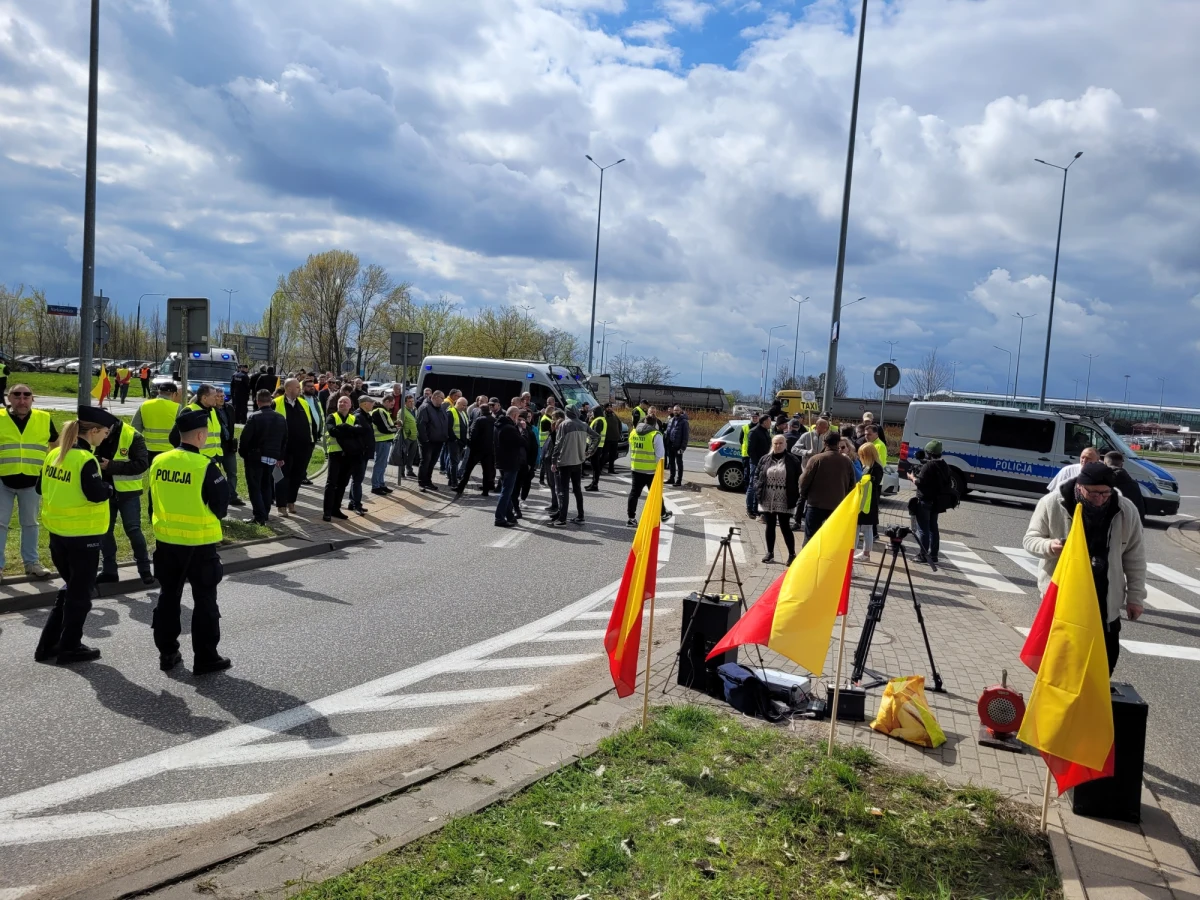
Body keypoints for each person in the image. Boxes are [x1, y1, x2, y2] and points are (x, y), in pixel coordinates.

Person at [1023, 462, 1146, 674]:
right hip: (1064, 597)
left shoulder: (1126, 510)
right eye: (1093, 494)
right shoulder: (1052, 503)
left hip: (1105, 598)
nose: (1099, 499)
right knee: (1059, 667)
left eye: (1105, 494)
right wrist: (1050, 546)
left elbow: (1135, 557)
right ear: (1080, 487)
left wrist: (1135, 598)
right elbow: (1030, 540)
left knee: (1103, 666)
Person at [148, 407, 231, 674]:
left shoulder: (159, 461)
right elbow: (221, 506)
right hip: (199, 544)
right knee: (205, 601)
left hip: (166, 542)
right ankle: (206, 658)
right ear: (200, 436)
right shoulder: (205, 466)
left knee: (168, 598)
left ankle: (167, 653)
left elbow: (152, 501)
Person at [34, 407, 116, 665]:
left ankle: (48, 645)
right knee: (80, 595)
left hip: (57, 534)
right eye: (104, 433)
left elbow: (39, 487)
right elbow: (95, 493)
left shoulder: (55, 453)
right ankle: (70, 647)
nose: (104, 437)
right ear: (92, 431)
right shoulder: (85, 460)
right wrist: (109, 489)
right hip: (83, 536)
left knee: (71, 589)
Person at [0, 384, 55, 582]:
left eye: (26, 396)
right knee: (0, 524)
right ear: (9, 398)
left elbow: (56, 448)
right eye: (17, 396)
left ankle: (32, 564)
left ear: (33, 399)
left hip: (33, 482)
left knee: (30, 524)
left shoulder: (44, 419)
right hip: (3, 480)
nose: (22, 400)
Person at [94, 412, 154, 585]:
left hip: (128, 493)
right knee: (105, 531)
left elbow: (142, 464)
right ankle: (109, 571)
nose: (101, 432)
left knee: (133, 530)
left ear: (112, 424)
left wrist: (111, 466)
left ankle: (145, 570)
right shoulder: (95, 433)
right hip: (105, 491)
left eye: (103, 429)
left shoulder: (133, 436)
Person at [239, 390, 287, 525]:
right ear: (271, 401)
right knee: (267, 486)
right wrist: (280, 456)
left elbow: (245, 439)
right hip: (272, 458)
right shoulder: (280, 418)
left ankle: (259, 516)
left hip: (255, 458)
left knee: (255, 487)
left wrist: (244, 454)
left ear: (257, 401)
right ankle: (265, 514)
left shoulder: (254, 417)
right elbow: (285, 439)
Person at [273, 378, 318, 517]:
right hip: (284, 449)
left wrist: (312, 441)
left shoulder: (303, 403)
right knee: (282, 477)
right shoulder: (276, 403)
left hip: (303, 448)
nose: (300, 389)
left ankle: (291, 501)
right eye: (297, 388)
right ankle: (281, 505)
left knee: (297, 477)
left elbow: (312, 424)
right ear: (289, 389)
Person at [798, 432, 855, 540]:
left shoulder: (816, 459)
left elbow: (804, 480)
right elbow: (852, 485)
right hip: (837, 506)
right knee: (832, 539)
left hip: (815, 504)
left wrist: (804, 495)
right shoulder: (846, 461)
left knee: (810, 538)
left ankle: (810, 557)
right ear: (838, 443)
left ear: (824, 443)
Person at [755, 434, 801, 565]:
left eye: (781, 443)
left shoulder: (792, 460)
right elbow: (757, 475)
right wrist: (757, 488)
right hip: (767, 497)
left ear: (785, 444)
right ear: (772, 444)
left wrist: (796, 495)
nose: (778, 445)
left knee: (785, 526)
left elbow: (799, 478)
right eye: (775, 443)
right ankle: (770, 553)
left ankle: (792, 554)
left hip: (784, 498)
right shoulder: (765, 459)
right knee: (770, 525)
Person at [907, 440, 951, 570]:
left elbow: (920, 482)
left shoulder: (929, 466)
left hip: (925, 500)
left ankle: (923, 555)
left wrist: (911, 477)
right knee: (933, 528)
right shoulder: (944, 465)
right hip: (937, 502)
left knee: (923, 529)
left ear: (929, 453)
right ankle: (934, 555)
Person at [549, 405, 596, 527]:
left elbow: (558, 444)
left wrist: (554, 461)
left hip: (565, 461)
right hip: (578, 461)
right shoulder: (584, 424)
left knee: (564, 490)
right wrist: (589, 451)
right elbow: (596, 436)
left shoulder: (564, 425)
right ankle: (581, 516)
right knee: (577, 489)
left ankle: (562, 519)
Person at [625, 415, 674, 528]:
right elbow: (660, 456)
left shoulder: (633, 432)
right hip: (651, 471)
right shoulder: (655, 435)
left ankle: (631, 518)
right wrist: (660, 470)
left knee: (634, 494)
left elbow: (632, 447)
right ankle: (663, 514)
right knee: (655, 494)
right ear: (655, 424)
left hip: (636, 468)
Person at [323, 395, 362, 521]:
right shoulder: (332, 417)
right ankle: (327, 511)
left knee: (342, 484)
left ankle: (336, 509)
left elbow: (359, 432)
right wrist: (348, 431)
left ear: (350, 405)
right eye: (340, 402)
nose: (342, 404)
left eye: (345, 402)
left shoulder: (353, 417)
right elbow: (332, 431)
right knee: (331, 483)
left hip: (349, 456)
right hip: (335, 454)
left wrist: (343, 429)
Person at [170, 384, 223, 460]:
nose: (217, 398)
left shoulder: (213, 411)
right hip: (197, 458)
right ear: (204, 398)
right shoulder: (189, 411)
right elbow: (174, 437)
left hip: (215, 457)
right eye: (214, 396)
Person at [493, 406, 526, 528]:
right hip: (510, 463)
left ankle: (509, 515)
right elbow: (522, 442)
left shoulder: (498, 425)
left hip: (502, 462)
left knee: (506, 490)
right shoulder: (509, 428)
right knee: (507, 491)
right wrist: (523, 430)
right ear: (515, 416)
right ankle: (499, 517)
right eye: (517, 417)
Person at [457, 399, 496, 497]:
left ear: (480, 411)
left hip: (477, 450)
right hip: (489, 451)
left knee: (468, 470)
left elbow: (472, 434)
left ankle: (460, 488)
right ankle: (485, 491)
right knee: (486, 471)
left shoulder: (479, 420)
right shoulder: (494, 420)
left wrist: (470, 445)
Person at [346, 395, 377, 514]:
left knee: (357, 479)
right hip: (359, 453)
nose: (373, 404)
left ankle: (352, 502)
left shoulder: (365, 416)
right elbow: (356, 435)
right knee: (358, 479)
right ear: (364, 404)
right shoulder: (358, 416)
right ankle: (357, 504)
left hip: (364, 452)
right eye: (371, 402)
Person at [213, 392, 244, 507]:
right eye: (218, 396)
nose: (221, 399)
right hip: (216, 446)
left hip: (229, 446)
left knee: (232, 472)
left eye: (223, 396)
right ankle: (218, 496)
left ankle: (232, 496)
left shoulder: (229, 408)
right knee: (216, 473)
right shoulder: (210, 410)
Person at [855, 442, 883, 563]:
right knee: (863, 527)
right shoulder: (866, 466)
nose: (861, 457)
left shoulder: (876, 467)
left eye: (863, 455)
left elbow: (873, 483)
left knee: (867, 528)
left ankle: (866, 553)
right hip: (864, 501)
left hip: (870, 503)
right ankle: (863, 552)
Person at [416, 389, 449, 492]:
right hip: (428, 442)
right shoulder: (425, 408)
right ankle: (422, 482)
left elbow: (444, 423)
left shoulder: (441, 409)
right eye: (441, 398)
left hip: (439, 441)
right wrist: (425, 440)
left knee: (432, 463)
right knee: (425, 462)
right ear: (434, 397)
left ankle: (428, 481)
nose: (443, 401)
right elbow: (421, 425)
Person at [1105, 451, 1146, 523]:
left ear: (1105, 464)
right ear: (1122, 465)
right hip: (1127, 526)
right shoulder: (1133, 484)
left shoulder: (1100, 482)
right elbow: (1139, 511)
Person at [745, 414, 773, 519]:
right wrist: (758, 463)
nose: (770, 424)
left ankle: (756, 508)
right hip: (756, 463)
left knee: (760, 486)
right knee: (753, 485)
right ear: (764, 422)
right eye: (769, 422)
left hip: (765, 462)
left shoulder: (766, 431)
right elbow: (750, 450)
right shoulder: (754, 432)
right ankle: (749, 509)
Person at [370, 394, 398, 495]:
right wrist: (396, 428)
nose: (392, 405)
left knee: (383, 464)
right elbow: (384, 428)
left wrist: (394, 425)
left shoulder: (384, 411)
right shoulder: (380, 411)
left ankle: (381, 484)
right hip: (382, 441)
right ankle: (376, 486)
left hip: (385, 441)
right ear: (386, 401)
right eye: (391, 403)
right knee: (380, 464)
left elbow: (387, 426)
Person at [446, 396, 469, 490]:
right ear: (458, 403)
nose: (464, 407)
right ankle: (454, 482)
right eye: (463, 405)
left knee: (454, 461)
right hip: (454, 442)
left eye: (466, 405)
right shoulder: (451, 412)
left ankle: (451, 480)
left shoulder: (463, 413)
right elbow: (448, 427)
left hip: (461, 442)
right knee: (454, 462)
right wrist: (454, 439)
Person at [584, 404, 608, 492]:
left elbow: (595, 435)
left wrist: (591, 448)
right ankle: (593, 483)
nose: (592, 414)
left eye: (593, 412)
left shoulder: (598, 421)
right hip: (598, 446)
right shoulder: (600, 420)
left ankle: (595, 484)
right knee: (594, 466)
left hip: (596, 446)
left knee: (595, 466)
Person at [665, 405, 690, 487]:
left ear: (681, 411)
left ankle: (679, 480)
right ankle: (672, 478)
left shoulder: (684, 422)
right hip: (670, 445)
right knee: (671, 463)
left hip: (678, 446)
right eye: (675, 410)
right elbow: (668, 432)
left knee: (679, 463)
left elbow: (685, 436)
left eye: (677, 410)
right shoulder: (671, 420)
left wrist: (683, 448)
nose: (676, 412)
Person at [398, 393, 419, 481]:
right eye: (409, 401)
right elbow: (399, 425)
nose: (411, 403)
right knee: (403, 455)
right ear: (405, 403)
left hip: (415, 437)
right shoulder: (402, 411)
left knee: (411, 456)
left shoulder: (415, 410)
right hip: (406, 437)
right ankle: (401, 472)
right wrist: (405, 437)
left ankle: (409, 470)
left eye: (412, 401)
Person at [604, 403, 622, 474]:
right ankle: (599, 469)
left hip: (615, 439)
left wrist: (619, 433)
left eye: (610, 407)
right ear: (605, 408)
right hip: (607, 439)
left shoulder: (614, 415)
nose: (609, 408)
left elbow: (619, 424)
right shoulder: (603, 415)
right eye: (608, 407)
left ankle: (611, 469)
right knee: (604, 455)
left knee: (613, 455)